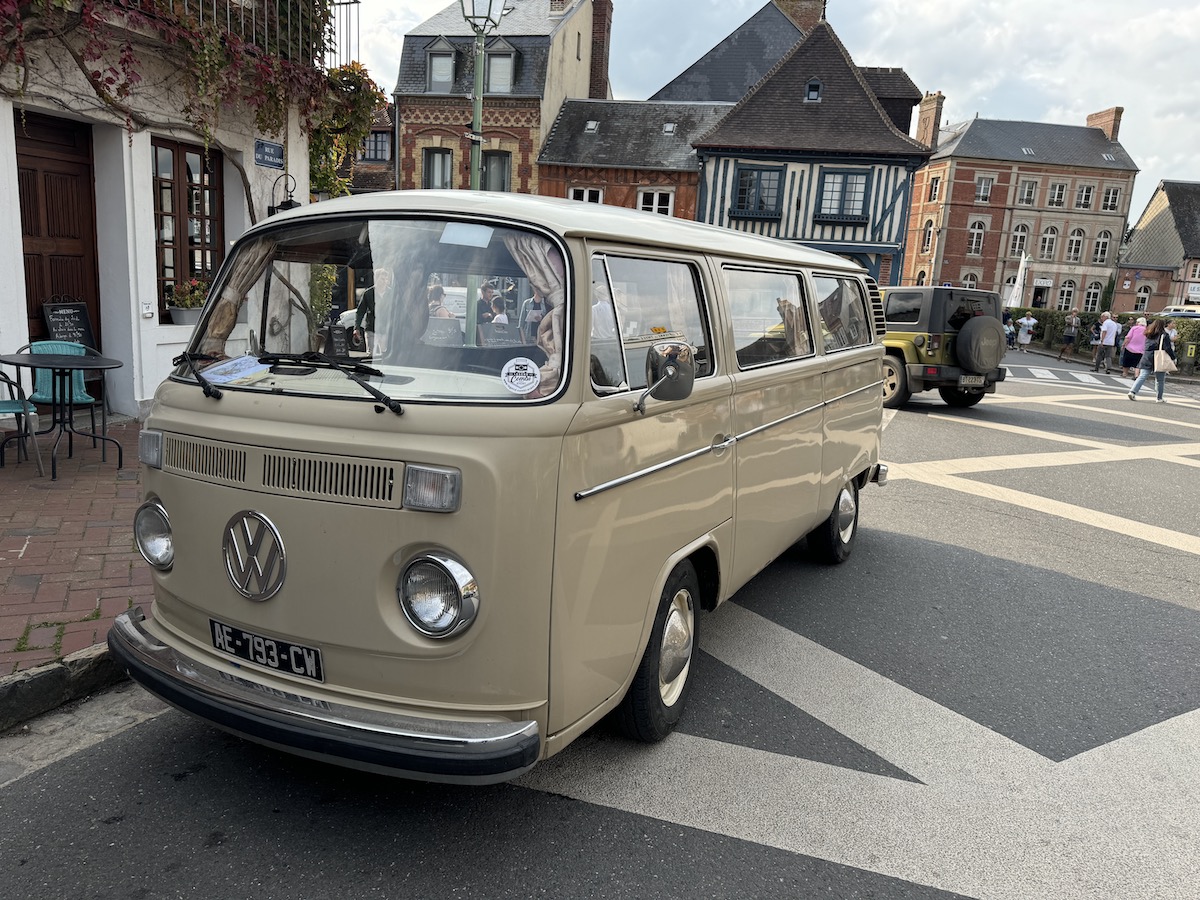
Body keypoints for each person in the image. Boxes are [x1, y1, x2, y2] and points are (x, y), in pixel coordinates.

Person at [1128, 318, 1174, 403]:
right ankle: (1159, 397)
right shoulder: (1164, 335)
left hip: (1147, 356)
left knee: (1142, 376)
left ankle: (1132, 391)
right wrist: (1173, 357)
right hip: (1158, 357)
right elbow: (1167, 348)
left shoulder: (1148, 334)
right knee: (1160, 379)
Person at [354, 266, 392, 354]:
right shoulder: (368, 293)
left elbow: (396, 311)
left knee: (385, 354)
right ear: (376, 279)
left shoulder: (391, 293)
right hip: (371, 328)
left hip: (386, 329)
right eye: (382, 279)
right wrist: (357, 328)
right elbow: (360, 312)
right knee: (371, 353)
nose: (384, 281)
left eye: (386, 279)